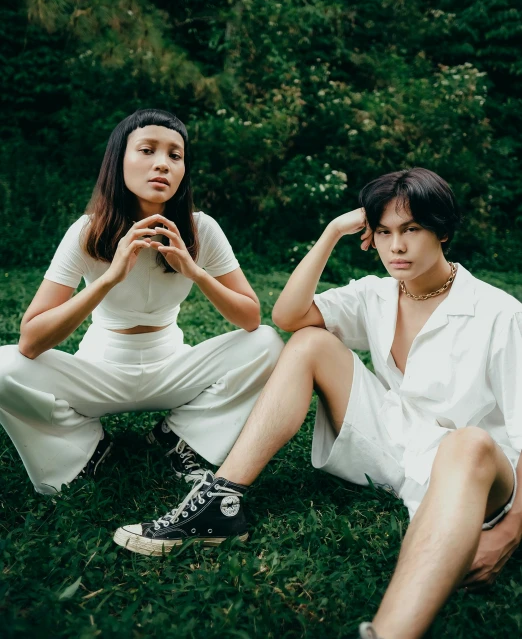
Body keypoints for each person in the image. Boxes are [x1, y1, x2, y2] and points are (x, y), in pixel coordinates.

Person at [113, 168, 522, 639]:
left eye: (412, 230)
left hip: (474, 473)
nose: (396, 247)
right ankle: (220, 504)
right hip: (398, 445)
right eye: (384, 232)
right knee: (309, 342)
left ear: (443, 230)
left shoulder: (499, 313)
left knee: (466, 442)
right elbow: (288, 316)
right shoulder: (377, 294)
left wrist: (508, 533)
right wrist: (331, 233)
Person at [0, 109, 284, 495]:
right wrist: (109, 278)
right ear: (119, 162)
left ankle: (179, 438)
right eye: (147, 150)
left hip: (172, 368)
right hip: (100, 374)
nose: (162, 165)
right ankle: (86, 449)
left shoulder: (202, 229)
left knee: (267, 342)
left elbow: (250, 318)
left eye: (174, 155)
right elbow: (31, 340)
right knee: (3, 366)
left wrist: (195, 272)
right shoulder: (88, 231)